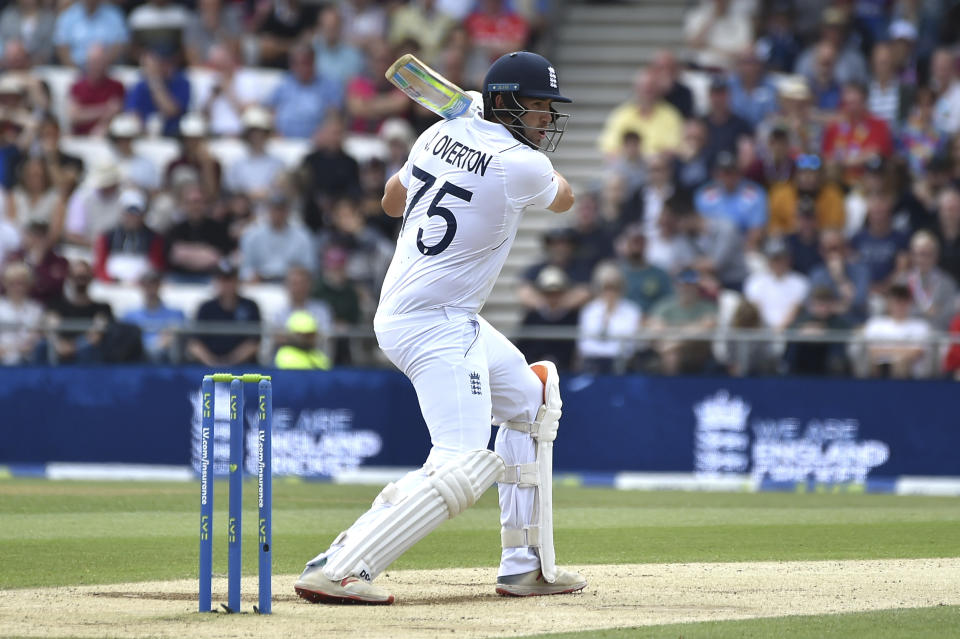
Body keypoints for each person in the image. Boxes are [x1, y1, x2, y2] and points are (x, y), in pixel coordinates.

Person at [294, 51, 586, 605]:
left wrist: (464, 129)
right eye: (539, 107)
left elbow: (389, 201)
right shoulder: (518, 163)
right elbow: (566, 199)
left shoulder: (435, 135)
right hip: (434, 324)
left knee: (531, 400)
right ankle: (343, 565)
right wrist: (481, 134)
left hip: (436, 313)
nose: (546, 120)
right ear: (503, 103)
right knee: (461, 459)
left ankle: (526, 567)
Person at [186, 261, 261, 366]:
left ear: (237, 281)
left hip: (244, 369)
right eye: (222, 280)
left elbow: (254, 342)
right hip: (207, 369)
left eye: (229, 279)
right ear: (215, 282)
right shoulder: (206, 308)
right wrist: (213, 363)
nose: (226, 284)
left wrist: (229, 362)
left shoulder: (250, 306)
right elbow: (195, 343)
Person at [598, 68, 683, 159]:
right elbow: (609, 149)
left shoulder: (671, 115)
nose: (647, 91)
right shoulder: (621, 115)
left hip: (658, 168)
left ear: (659, 90)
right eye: (644, 87)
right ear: (636, 88)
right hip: (628, 167)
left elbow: (675, 149)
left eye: (651, 88)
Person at [576, 262, 642, 374]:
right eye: (606, 287)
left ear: (621, 288)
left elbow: (629, 346)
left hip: (622, 364)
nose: (610, 292)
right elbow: (585, 345)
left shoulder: (632, 310)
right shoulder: (589, 310)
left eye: (614, 287)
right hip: (593, 363)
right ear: (599, 288)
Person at [239, 190, 315, 283]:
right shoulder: (252, 235)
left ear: (288, 211)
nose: (278, 213)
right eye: (274, 209)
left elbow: (310, 268)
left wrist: (298, 275)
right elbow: (245, 268)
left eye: (281, 209)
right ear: (268, 210)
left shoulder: (303, 236)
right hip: (260, 284)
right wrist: (251, 275)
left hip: (290, 284)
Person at [862, 283, 933, 379]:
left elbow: (917, 352)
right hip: (879, 369)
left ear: (909, 303)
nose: (899, 305)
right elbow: (872, 351)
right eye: (896, 301)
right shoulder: (876, 324)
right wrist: (898, 353)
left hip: (910, 373)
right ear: (889, 303)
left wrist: (892, 355)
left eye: (903, 301)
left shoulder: (920, 326)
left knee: (901, 363)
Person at [515, 265, 578, 370]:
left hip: (566, 371)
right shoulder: (532, 317)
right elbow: (522, 347)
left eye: (557, 293)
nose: (553, 297)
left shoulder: (572, 317)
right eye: (548, 293)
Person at [124, 45, 191, 138]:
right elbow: (132, 112)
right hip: (143, 135)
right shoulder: (140, 85)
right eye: (159, 62)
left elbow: (171, 111)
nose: (163, 66)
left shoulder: (181, 82)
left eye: (166, 62)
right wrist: (143, 132)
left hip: (172, 135)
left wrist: (155, 82)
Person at [121, 269, 185, 363]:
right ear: (141, 286)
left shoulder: (176, 314)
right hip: (137, 360)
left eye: (154, 284)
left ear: (160, 286)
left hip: (168, 361)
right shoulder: (129, 315)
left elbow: (184, 341)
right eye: (147, 284)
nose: (151, 288)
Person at [67, 44, 125, 136]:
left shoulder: (117, 86)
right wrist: (105, 109)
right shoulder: (77, 86)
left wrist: (101, 125)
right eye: (94, 62)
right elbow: (74, 116)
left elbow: (117, 112)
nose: (97, 66)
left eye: (100, 62)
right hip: (80, 136)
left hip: (108, 136)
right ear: (87, 63)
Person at [53, 0, 129, 67]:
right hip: (74, 70)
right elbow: (61, 46)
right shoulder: (68, 15)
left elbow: (120, 44)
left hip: (106, 71)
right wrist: (74, 68)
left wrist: (99, 67)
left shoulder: (114, 15)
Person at [0, 261, 42, 365]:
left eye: (21, 283)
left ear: (28, 284)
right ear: (5, 283)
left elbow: (37, 336)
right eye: (12, 283)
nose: (17, 288)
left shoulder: (36, 309)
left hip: (28, 360)